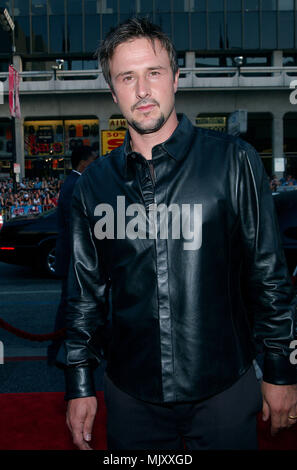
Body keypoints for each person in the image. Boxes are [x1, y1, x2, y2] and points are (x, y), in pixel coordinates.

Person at [57, 18, 297, 450]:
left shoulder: (234, 162)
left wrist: (280, 370)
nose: (143, 90)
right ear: (113, 92)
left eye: (154, 72)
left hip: (225, 388)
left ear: (176, 79)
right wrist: (78, 383)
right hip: (131, 395)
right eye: (127, 77)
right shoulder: (93, 185)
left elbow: (269, 276)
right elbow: (82, 295)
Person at [47, 146, 97, 365]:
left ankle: (65, 349)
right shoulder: (76, 183)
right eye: (93, 160)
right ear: (83, 163)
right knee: (70, 305)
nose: (95, 164)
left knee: (76, 304)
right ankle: (57, 350)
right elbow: (77, 223)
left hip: (71, 255)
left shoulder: (72, 182)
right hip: (72, 257)